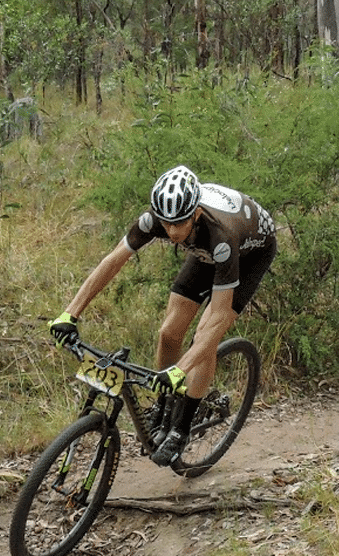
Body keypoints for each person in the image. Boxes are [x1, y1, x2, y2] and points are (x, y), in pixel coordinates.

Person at [48, 165, 277, 469]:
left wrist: (180, 369)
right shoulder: (156, 220)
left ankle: (181, 429)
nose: (172, 232)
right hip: (205, 249)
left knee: (205, 335)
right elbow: (112, 262)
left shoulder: (220, 236)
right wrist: (69, 313)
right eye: (166, 223)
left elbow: (221, 315)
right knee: (168, 333)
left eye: (179, 222)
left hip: (248, 252)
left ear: (194, 212)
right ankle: (164, 403)